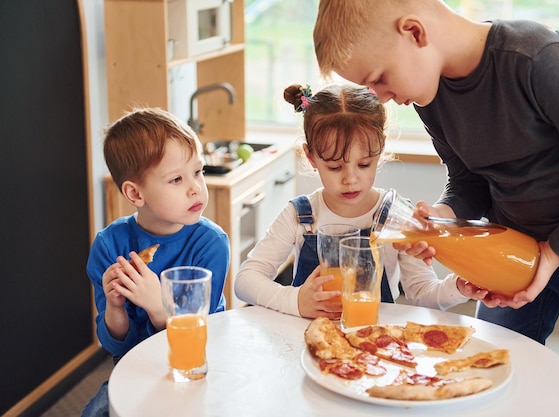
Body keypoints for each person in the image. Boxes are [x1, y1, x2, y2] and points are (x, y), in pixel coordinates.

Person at [312, 1, 559, 415]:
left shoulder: (535, 60)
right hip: (517, 252)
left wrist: (554, 254)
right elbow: (469, 180)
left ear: (415, 32)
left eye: (380, 80)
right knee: (489, 382)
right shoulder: (429, 94)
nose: (382, 98)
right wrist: (445, 215)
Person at [234, 83, 487, 319]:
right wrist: (295, 300)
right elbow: (245, 280)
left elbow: (423, 293)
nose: (351, 179)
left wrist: (458, 286)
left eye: (364, 164)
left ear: (380, 149)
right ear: (311, 158)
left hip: (374, 346)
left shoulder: (397, 216)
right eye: (335, 167)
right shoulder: (300, 215)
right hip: (305, 341)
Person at [82, 107, 230, 417]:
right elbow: (116, 347)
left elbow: (203, 340)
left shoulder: (211, 244)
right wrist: (115, 306)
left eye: (198, 172)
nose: (195, 187)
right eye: (176, 179)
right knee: (96, 412)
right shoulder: (109, 246)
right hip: (135, 370)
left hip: (197, 368)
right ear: (135, 193)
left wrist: (158, 306)